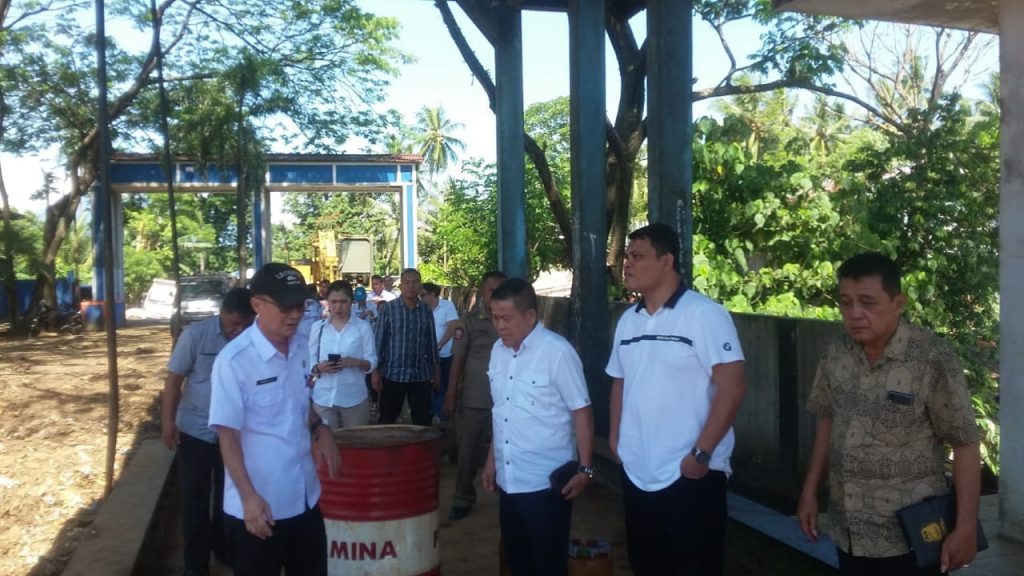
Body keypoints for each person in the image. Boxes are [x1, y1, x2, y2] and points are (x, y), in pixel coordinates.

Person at [797, 252, 981, 576]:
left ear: (898, 303)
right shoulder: (836, 353)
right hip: (849, 530)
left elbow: (964, 442)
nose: (855, 313)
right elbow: (827, 421)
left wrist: (965, 526)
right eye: (846, 303)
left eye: (868, 303)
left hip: (912, 536)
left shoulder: (931, 358)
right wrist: (809, 493)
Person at [606, 222, 747, 576]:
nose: (627, 264)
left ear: (666, 261)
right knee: (646, 565)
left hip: (690, 473)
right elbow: (620, 382)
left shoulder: (704, 314)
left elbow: (732, 388)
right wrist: (617, 440)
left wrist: (701, 455)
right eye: (627, 256)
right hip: (638, 471)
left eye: (638, 256)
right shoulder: (628, 322)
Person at [209, 263, 340, 576]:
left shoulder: (300, 347)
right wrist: (249, 498)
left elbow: (299, 403)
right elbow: (228, 435)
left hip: (305, 498)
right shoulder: (234, 361)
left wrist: (320, 429)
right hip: (258, 510)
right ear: (257, 305)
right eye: (285, 307)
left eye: (300, 306)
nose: (294, 315)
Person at [482, 278, 594, 576]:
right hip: (509, 481)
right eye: (495, 318)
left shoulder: (557, 352)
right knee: (518, 562)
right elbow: (502, 412)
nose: (500, 326)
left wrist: (586, 469)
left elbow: (582, 412)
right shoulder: (497, 352)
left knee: (548, 565)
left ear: (530, 315)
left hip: (545, 486)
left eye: (507, 318)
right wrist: (492, 461)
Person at [163, 287, 255, 576]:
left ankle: (223, 549)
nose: (238, 330)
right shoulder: (195, 336)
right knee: (195, 501)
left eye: (245, 324)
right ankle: (195, 564)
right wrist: (167, 422)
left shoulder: (252, 340)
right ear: (222, 313)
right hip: (195, 432)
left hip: (234, 434)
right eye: (234, 323)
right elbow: (174, 380)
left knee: (228, 499)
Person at [443, 270, 507, 521]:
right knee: (468, 451)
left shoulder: (513, 320)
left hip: (509, 398)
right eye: (493, 291)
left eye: (502, 290)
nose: (497, 295)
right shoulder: (469, 321)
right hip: (476, 397)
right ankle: (463, 497)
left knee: (509, 449)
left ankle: (509, 495)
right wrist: (451, 393)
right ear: (482, 293)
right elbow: (458, 360)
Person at [371, 268, 440, 426]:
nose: (411, 286)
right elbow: (378, 342)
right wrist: (375, 372)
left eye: (415, 282)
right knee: (387, 419)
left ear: (420, 286)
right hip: (393, 374)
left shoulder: (425, 310)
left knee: (422, 420)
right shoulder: (388, 309)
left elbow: (431, 342)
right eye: (406, 282)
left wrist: (436, 371)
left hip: (420, 375)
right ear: (401, 285)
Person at [308, 281, 377, 428]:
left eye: (343, 302)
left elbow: (372, 361)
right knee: (327, 439)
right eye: (333, 302)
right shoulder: (318, 328)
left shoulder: (362, 327)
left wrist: (356, 362)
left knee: (354, 440)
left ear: (351, 302)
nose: (338, 307)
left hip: (354, 398)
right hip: (323, 398)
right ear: (327, 302)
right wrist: (319, 368)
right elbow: (309, 359)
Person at [419, 282, 459, 422]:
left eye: (423, 295)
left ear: (433, 294)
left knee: (444, 386)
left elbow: (452, 327)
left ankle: (443, 417)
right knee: (428, 387)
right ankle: (430, 415)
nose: (420, 298)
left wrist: (439, 345)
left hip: (444, 355)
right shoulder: (421, 309)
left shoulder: (447, 306)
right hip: (426, 357)